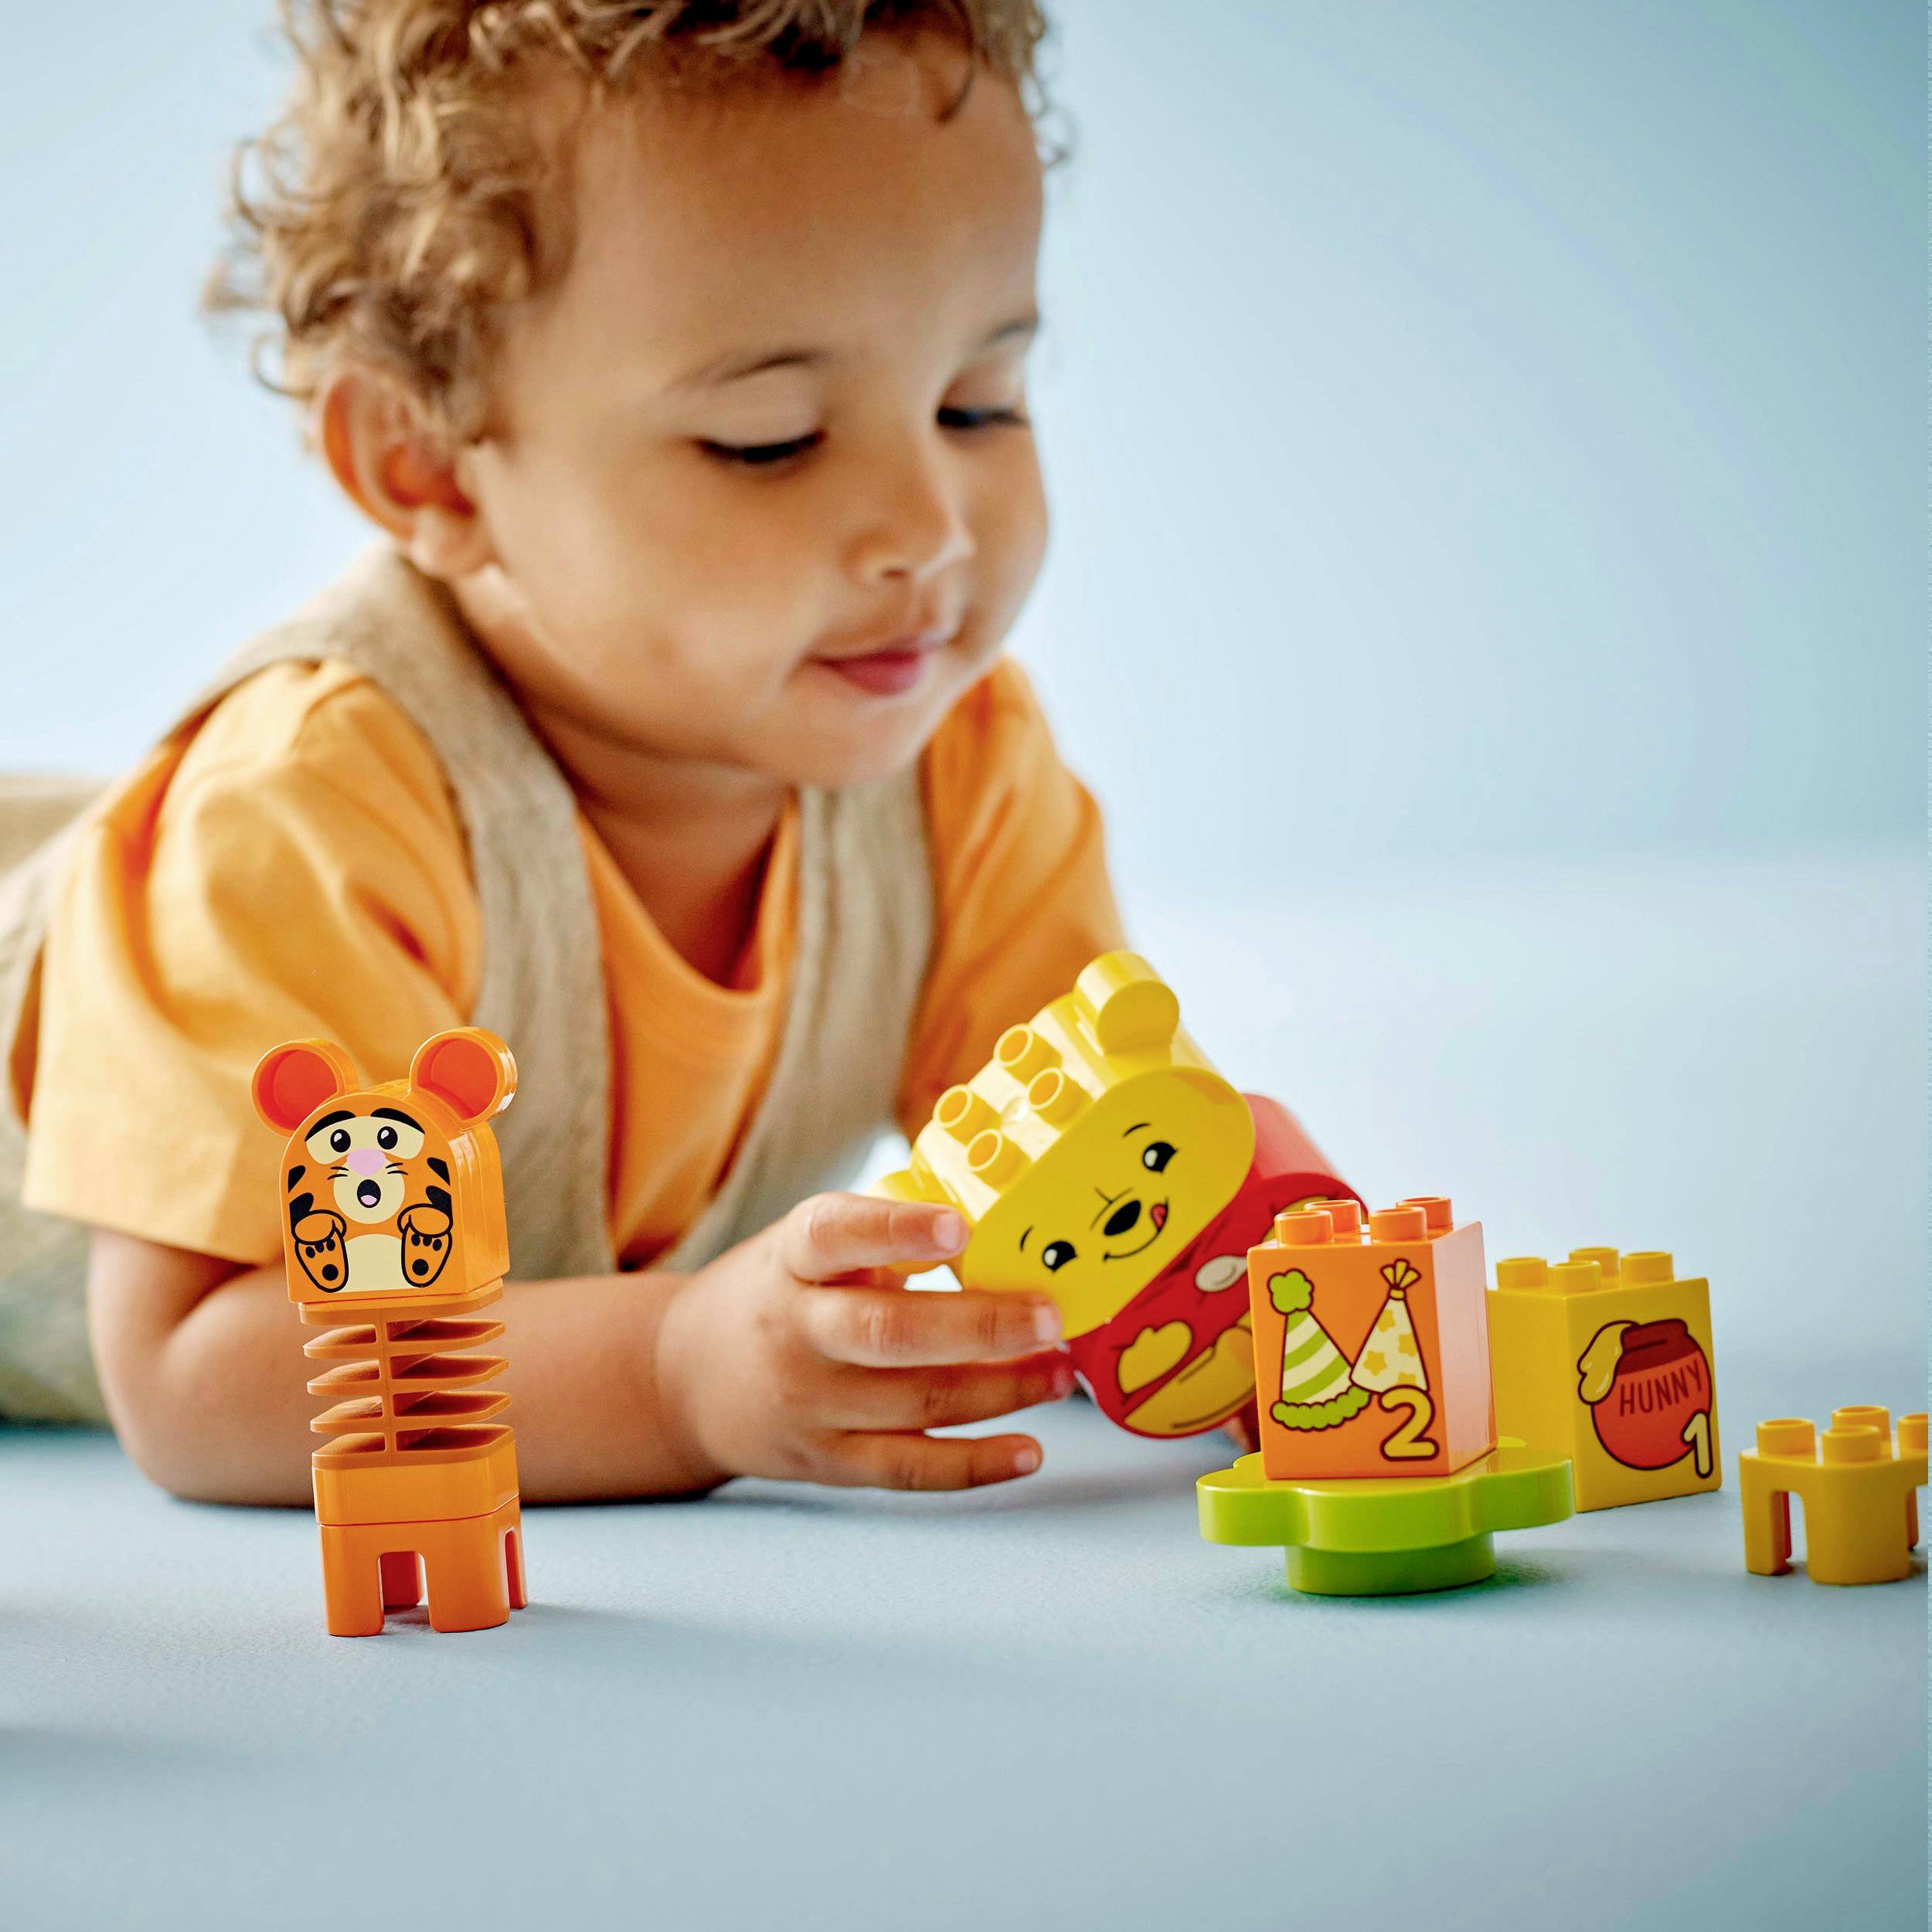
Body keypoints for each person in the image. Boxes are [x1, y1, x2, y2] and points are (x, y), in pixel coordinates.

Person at [4, 0, 1344, 1504]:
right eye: (768, 437)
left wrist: (1315, 1326)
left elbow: (1112, 1184)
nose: (929, 529)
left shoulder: (960, 773)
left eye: (979, 401)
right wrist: (664, 1371)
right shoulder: (305, 817)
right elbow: (199, 1373)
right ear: (428, 461)